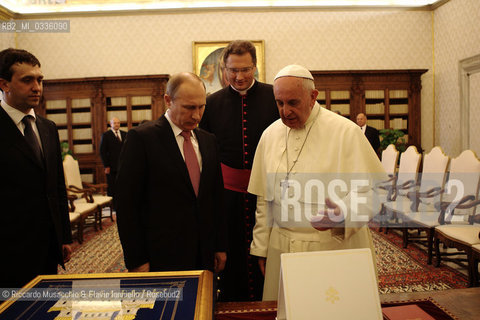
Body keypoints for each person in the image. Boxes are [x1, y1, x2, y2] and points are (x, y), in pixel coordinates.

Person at [248, 65, 386, 301]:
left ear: (313, 97)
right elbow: (264, 199)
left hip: (331, 246)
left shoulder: (346, 132)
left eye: (293, 102)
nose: (285, 111)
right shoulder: (269, 135)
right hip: (282, 247)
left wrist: (343, 213)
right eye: (279, 103)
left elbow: (376, 191)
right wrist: (261, 247)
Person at [115, 72, 227, 274]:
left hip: (204, 254)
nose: (197, 115)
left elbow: (215, 198)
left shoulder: (208, 141)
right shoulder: (142, 139)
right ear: (168, 100)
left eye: (201, 107)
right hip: (161, 256)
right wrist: (136, 259)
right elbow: (127, 206)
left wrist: (219, 246)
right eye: (189, 107)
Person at [199, 40, 279, 301]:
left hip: (268, 192)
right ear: (224, 68)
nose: (239, 76)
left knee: (268, 250)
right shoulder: (212, 103)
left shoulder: (272, 96)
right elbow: (206, 151)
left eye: (245, 69)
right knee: (230, 252)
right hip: (228, 194)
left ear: (255, 67)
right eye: (232, 70)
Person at [0, 48, 72, 288]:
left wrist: (63, 236)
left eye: (40, 80)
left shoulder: (48, 127)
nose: (37, 87)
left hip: (48, 248)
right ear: (4, 84)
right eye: (27, 80)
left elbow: (57, 187)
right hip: (9, 251)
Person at [100, 116, 126, 203]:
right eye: (114, 123)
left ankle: (122, 204)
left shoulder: (125, 134)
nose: (116, 124)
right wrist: (106, 166)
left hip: (122, 166)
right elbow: (102, 151)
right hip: (111, 167)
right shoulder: (106, 135)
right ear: (110, 124)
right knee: (112, 187)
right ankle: (113, 206)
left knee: (122, 186)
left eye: (118, 123)